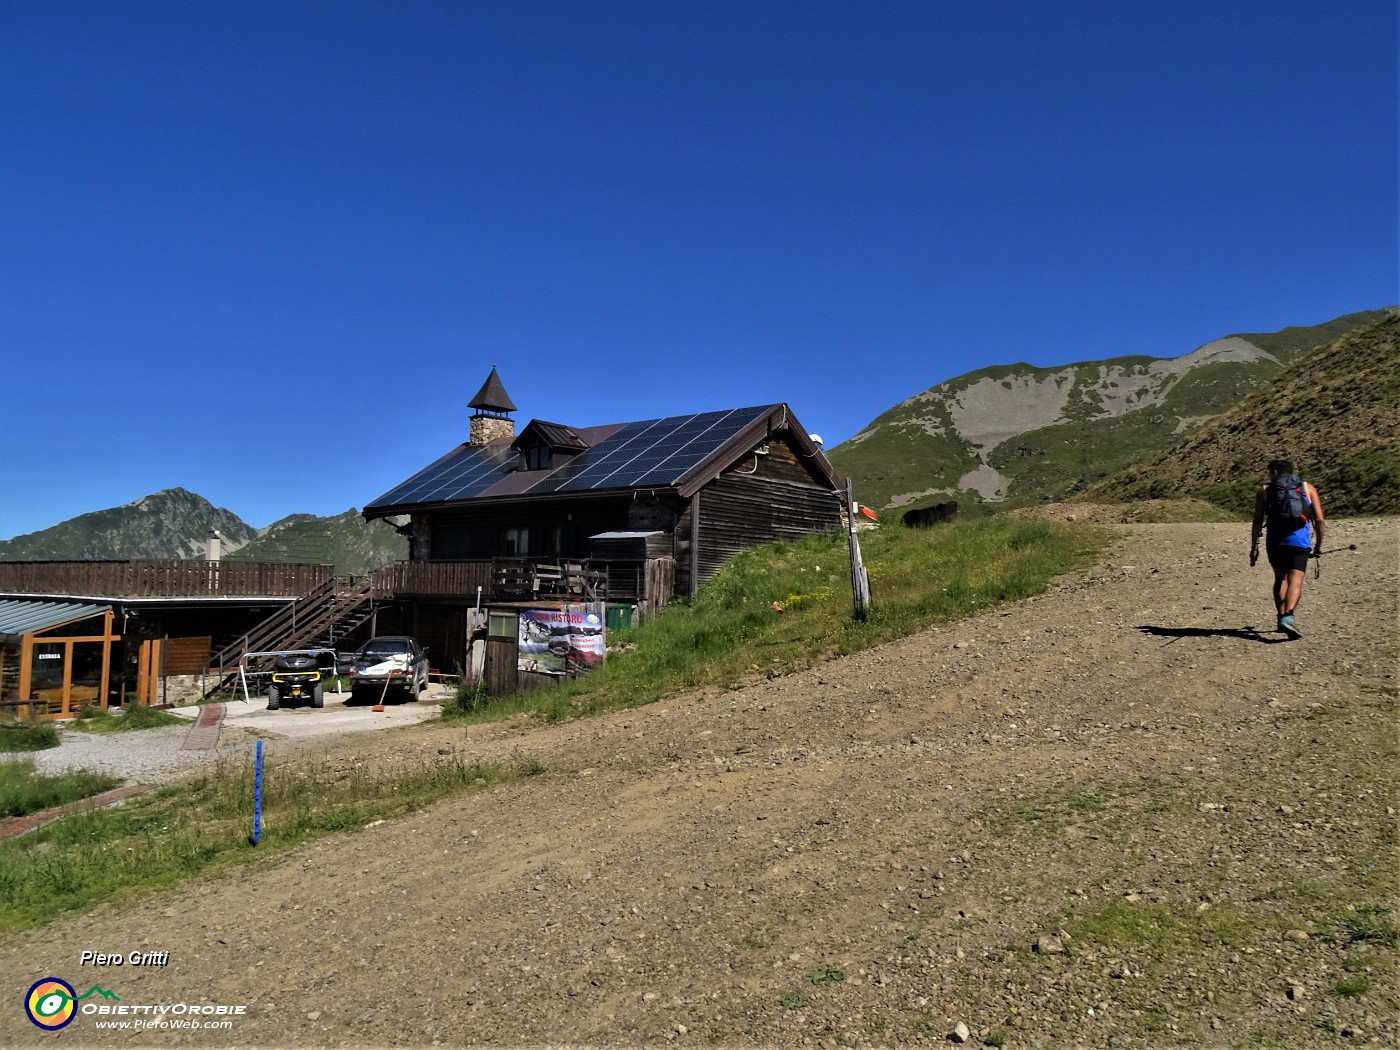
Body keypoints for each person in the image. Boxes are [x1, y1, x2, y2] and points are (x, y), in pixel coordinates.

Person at [1250, 459, 1325, 638]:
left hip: (1275, 542)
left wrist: (1253, 547)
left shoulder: (1265, 490)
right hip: (1299, 542)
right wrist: (1319, 545)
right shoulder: (1307, 488)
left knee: (1280, 579)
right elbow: (1320, 519)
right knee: (1295, 580)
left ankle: (1280, 618)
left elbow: (1257, 521)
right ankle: (1288, 617)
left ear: (1275, 472)